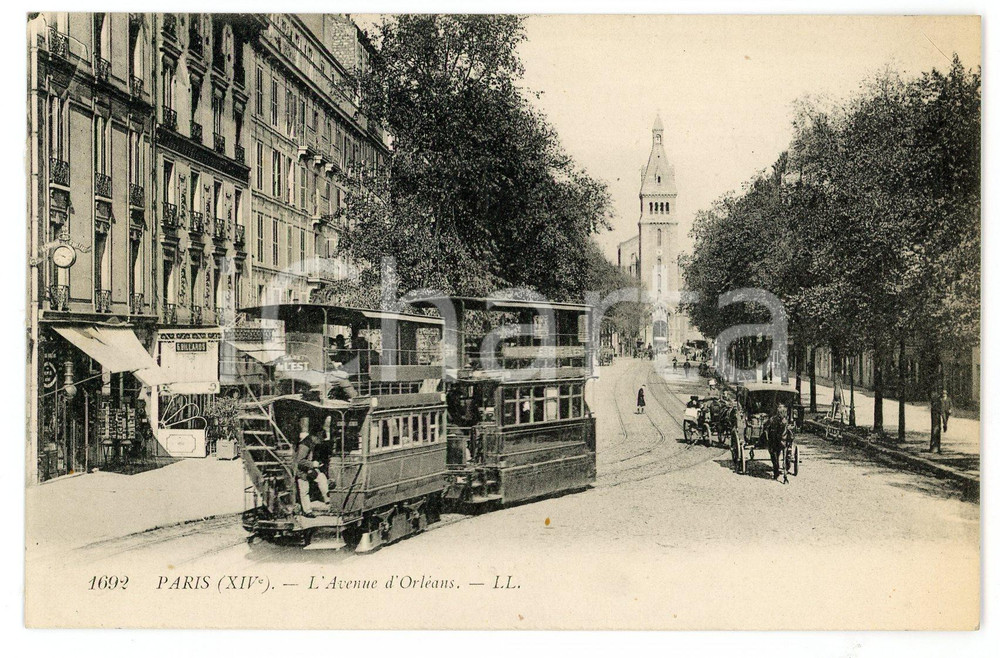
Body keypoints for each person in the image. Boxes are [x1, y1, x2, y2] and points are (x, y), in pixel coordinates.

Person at [764, 404, 793, 483]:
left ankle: (789, 446)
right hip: (775, 436)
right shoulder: (773, 419)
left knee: (790, 433)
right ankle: (776, 468)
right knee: (774, 453)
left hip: (783, 432)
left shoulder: (785, 414)